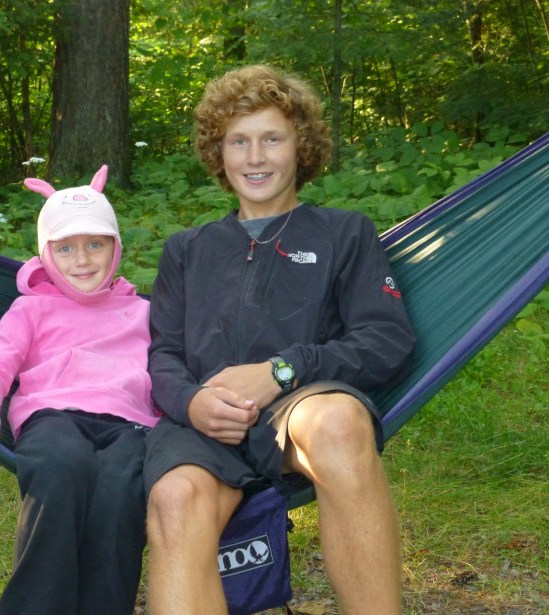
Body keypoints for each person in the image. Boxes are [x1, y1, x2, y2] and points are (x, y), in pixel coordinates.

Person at [143, 65, 416, 615]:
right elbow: (163, 356)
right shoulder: (188, 249)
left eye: (272, 138)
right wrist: (191, 402)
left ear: (301, 147)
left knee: (338, 424)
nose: (256, 157)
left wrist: (281, 372)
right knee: (175, 499)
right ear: (218, 154)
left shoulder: (344, 233)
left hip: (297, 408)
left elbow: (386, 338)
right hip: (204, 422)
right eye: (238, 142)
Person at [0, 165, 159, 615]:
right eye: (65, 248)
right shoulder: (31, 309)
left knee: (121, 492)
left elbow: (170, 372)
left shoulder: (143, 313)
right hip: (54, 417)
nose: (82, 260)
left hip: (131, 425)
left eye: (95, 245)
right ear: (46, 253)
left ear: (115, 247)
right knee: (62, 468)